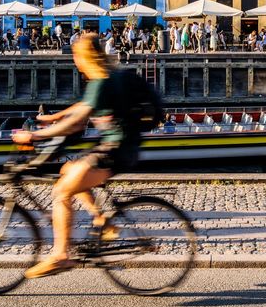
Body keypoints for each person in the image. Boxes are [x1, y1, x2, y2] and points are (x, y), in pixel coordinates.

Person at [11, 34, 163, 279]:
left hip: (116, 151)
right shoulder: (105, 78)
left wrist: (35, 137)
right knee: (68, 169)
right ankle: (102, 220)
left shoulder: (101, 82)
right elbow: (83, 106)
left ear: (83, 57)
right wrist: (52, 118)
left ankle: (61, 255)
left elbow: (76, 121)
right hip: (116, 147)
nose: (74, 60)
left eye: (75, 55)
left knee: (61, 193)